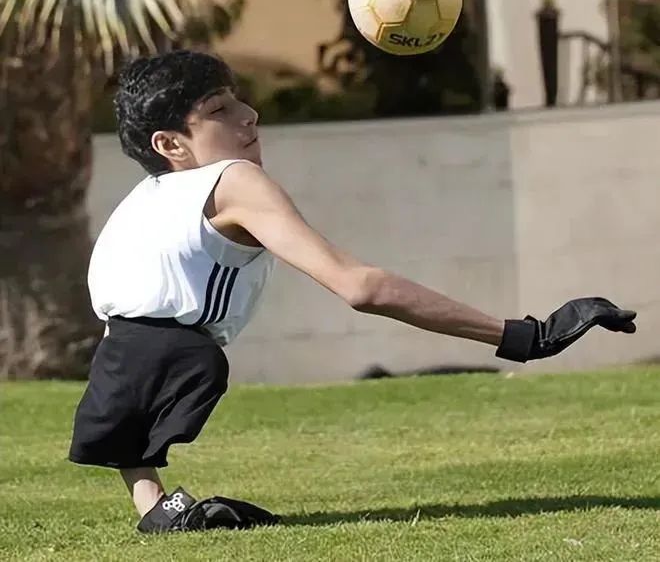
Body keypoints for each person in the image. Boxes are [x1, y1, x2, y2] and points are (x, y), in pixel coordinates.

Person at [68, 50, 637, 534]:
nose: (249, 115)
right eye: (220, 110)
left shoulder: (144, 197)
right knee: (178, 376)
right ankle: (166, 509)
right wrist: (524, 335)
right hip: (174, 354)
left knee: (141, 430)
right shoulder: (234, 181)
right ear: (170, 143)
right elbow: (359, 286)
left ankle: (158, 507)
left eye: (239, 100)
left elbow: (131, 358)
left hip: (121, 350)